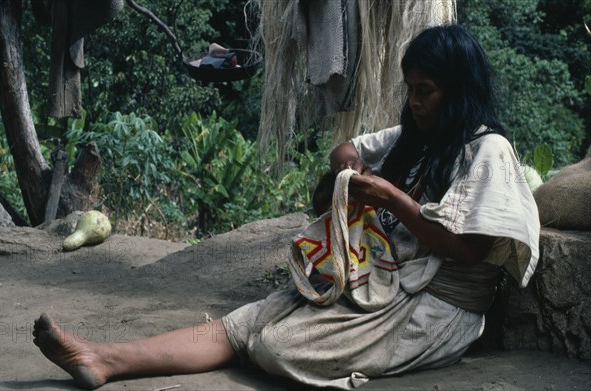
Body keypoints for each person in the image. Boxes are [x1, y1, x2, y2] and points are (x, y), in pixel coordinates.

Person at [33, 24, 539, 390]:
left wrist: (392, 199)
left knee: (274, 345)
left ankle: (112, 359)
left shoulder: (486, 150)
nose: (414, 103)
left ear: (457, 92)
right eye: (410, 92)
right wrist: (350, 168)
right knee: (243, 322)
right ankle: (105, 359)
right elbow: (351, 149)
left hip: (434, 309)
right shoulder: (418, 133)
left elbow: (470, 250)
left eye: (425, 92)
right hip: (380, 279)